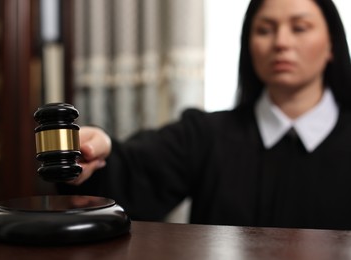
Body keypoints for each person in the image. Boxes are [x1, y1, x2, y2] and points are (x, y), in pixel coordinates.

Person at [58, 0, 351, 230]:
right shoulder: (205, 134)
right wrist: (94, 152)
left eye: (299, 28)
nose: (281, 42)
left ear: (332, 45)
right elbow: (131, 173)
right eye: (264, 29)